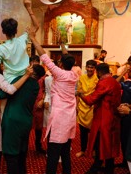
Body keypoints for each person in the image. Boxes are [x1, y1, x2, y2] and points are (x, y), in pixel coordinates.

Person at [28, 28, 79, 174]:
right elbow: (66, 57)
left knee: (53, 154)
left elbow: (43, 56)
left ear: (61, 64)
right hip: (69, 118)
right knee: (65, 153)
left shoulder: (59, 73)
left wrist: (33, 38)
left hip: (59, 119)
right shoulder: (74, 74)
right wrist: (62, 45)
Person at [0, 64, 45, 174]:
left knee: (11, 155)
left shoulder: (20, 79)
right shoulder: (35, 85)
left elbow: (2, 94)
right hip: (26, 120)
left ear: (31, 72)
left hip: (13, 120)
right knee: (21, 154)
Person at [77, 63, 121, 174]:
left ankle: (96, 167)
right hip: (113, 116)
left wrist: (80, 94)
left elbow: (90, 100)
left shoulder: (103, 83)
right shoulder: (114, 81)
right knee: (109, 143)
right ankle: (109, 168)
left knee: (100, 143)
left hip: (103, 118)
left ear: (99, 72)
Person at [0, 0, 39, 83]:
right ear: (16, 30)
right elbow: (36, 26)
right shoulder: (22, 39)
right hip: (25, 79)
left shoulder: (0, 48)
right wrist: (28, 8)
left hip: (10, 82)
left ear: (3, 31)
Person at [76, 60, 98, 158]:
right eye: (88, 67)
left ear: (95, 69)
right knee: (83, 132)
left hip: (92, 108)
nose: (89, 69)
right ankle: (83, 150)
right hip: (82, 107)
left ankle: (93, 149)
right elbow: (79, 91)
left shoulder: (98, 79)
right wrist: (76, 105)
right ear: (85, 67)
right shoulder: (82, 77)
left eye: (92, 67)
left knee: (94, 131)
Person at [116, 64, 131, 169]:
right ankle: (125, 162)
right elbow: (114, 84)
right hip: (124, 115)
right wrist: (123, 73)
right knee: (124, 138)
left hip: (129, 114)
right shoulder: (127, 83)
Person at [30, 55, 46, 154]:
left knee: (39, 127)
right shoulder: (27, 74)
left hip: (39, 101)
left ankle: (38, 146)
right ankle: (23, 147)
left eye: (37, 61)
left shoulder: (43, 76)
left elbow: (47, 90)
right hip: (29, 103)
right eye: (33, 61)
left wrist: (43, 99)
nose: (35, 63)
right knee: (27, 126)